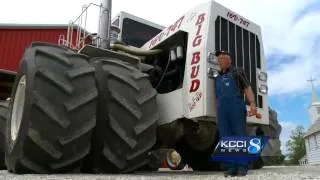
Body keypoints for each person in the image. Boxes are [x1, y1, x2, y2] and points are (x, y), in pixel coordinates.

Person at [214, 50, 257, 177]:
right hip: (222, 110)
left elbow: (247, 87)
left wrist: (253, 103)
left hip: (236, 107)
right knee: (226, 137)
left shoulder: (237, 72)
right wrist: (217, 113)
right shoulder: (217, 76)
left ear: (229, 60)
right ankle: (231, 166)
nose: (220, 60)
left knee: (239, 135)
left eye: (222, 58)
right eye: (219, 58)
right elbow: (217, 97)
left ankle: (242, 166)